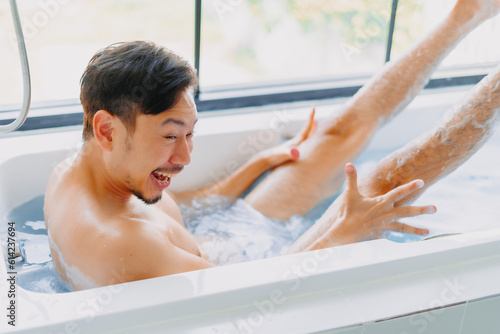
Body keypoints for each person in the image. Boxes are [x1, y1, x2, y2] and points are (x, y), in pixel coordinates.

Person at [44, 0, 500, 290]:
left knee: (333, 138)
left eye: (190, 134)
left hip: (222, 242)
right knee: (378, 188)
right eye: (169, 137)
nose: (185, 157)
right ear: (107, 129)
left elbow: (168, 208)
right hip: (252, 270)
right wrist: (343, 231)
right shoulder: (121, 245)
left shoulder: (82, 173)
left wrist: (254, 166)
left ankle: (465, 12)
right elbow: (257, 295)